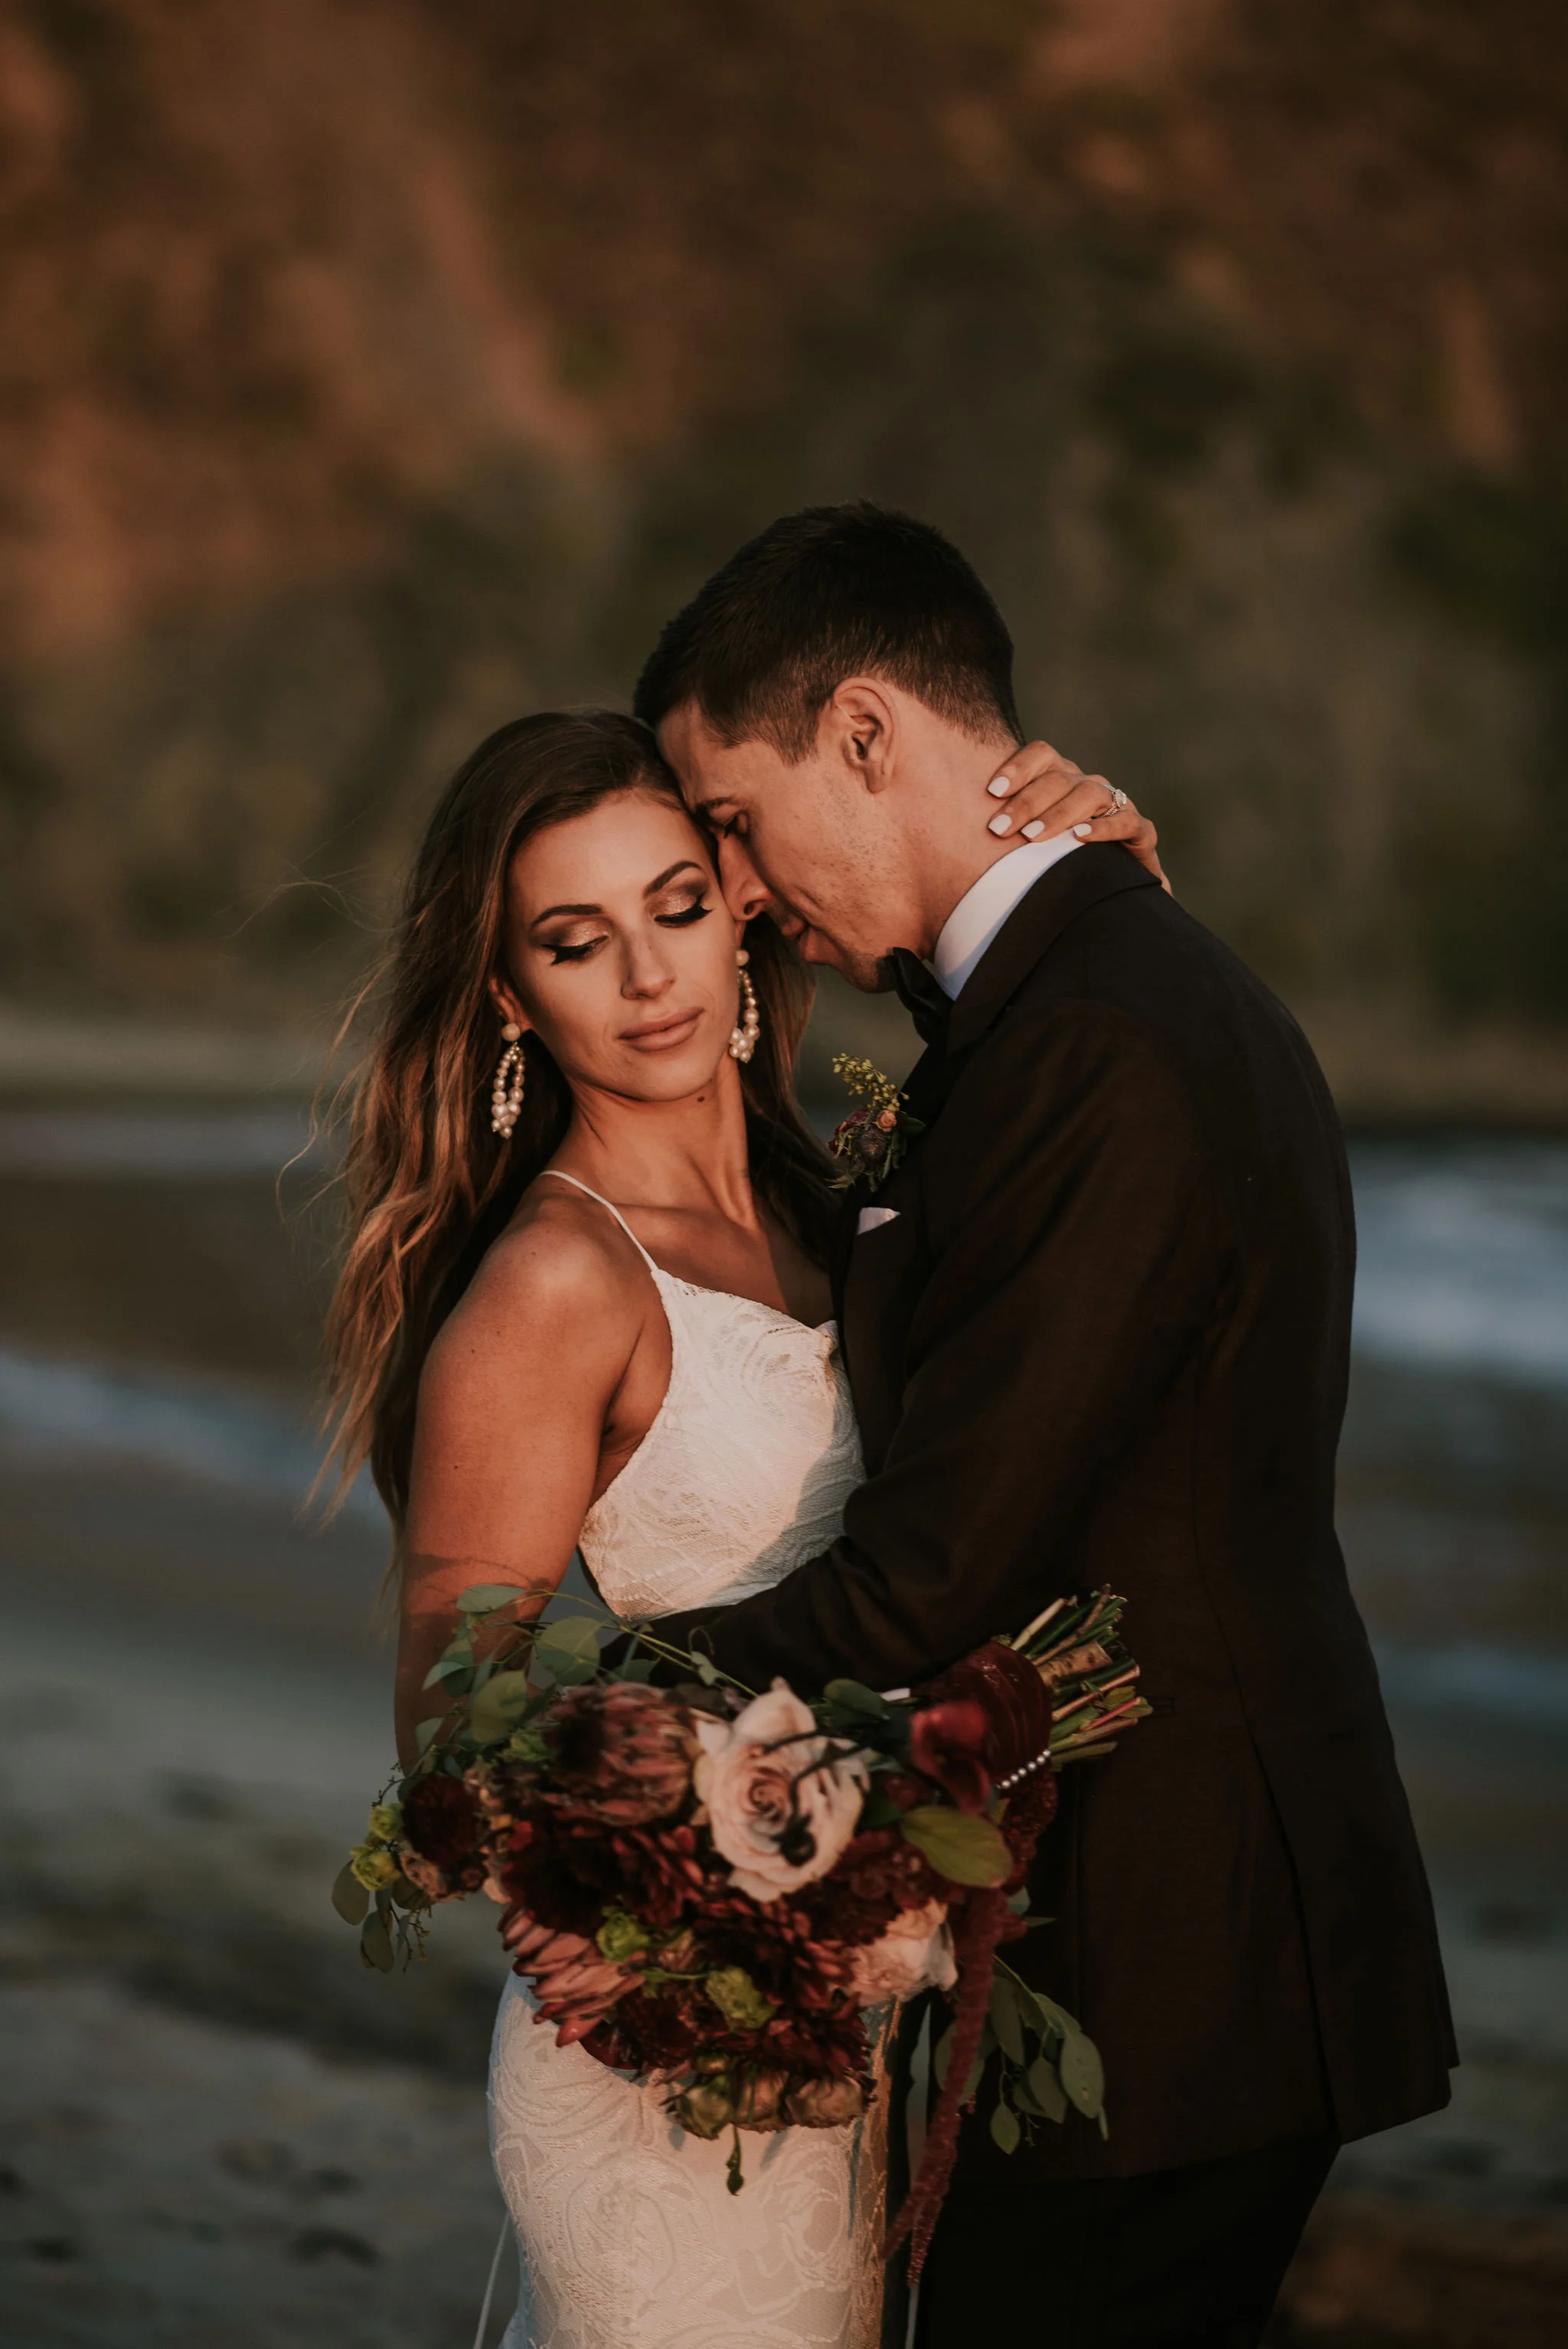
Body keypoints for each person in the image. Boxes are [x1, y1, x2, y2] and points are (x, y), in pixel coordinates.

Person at [628, 504, 1456, 2348]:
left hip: (1174, 1956)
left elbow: (933, 1572)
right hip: (1137, 1932)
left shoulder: (1095, 1038)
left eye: (736, 823)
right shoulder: (1070, 999)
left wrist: (599, 1692)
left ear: (863, 730)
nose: (738, 890)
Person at [323, 700, 1156, 2349]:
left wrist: (1108, 888)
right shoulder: (555, 1284)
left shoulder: (842, 1204)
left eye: (678, 906)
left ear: (740, 912)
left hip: (868, 2036)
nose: (650, 976)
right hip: (673, 2051)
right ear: (510, 996)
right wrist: (743, 1855)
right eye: (577, 941)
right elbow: (453, 1735)